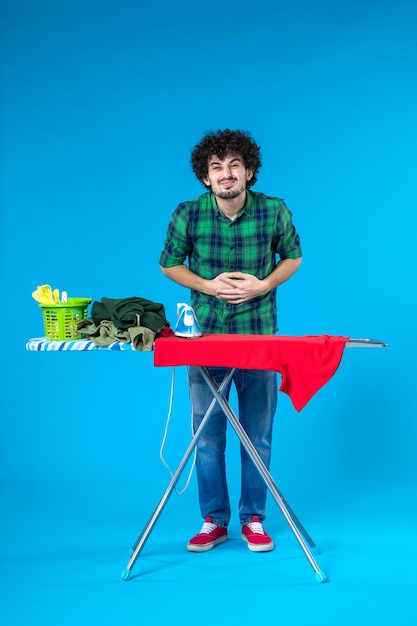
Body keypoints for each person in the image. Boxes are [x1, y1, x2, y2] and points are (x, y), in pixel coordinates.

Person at [159, 129, 302, 553]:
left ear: (249, 171)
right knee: (207, 434)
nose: (226, 174)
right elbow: (169, 264)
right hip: (205, 338)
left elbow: (293, 256)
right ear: (206, 177)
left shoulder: (274, 211)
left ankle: (254, 520)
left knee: (258, 432)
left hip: (259, 335)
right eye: (217, 168)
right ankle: (214, 521)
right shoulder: (188, 213)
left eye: (235, 166)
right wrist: (206, 284)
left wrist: (262, 286)